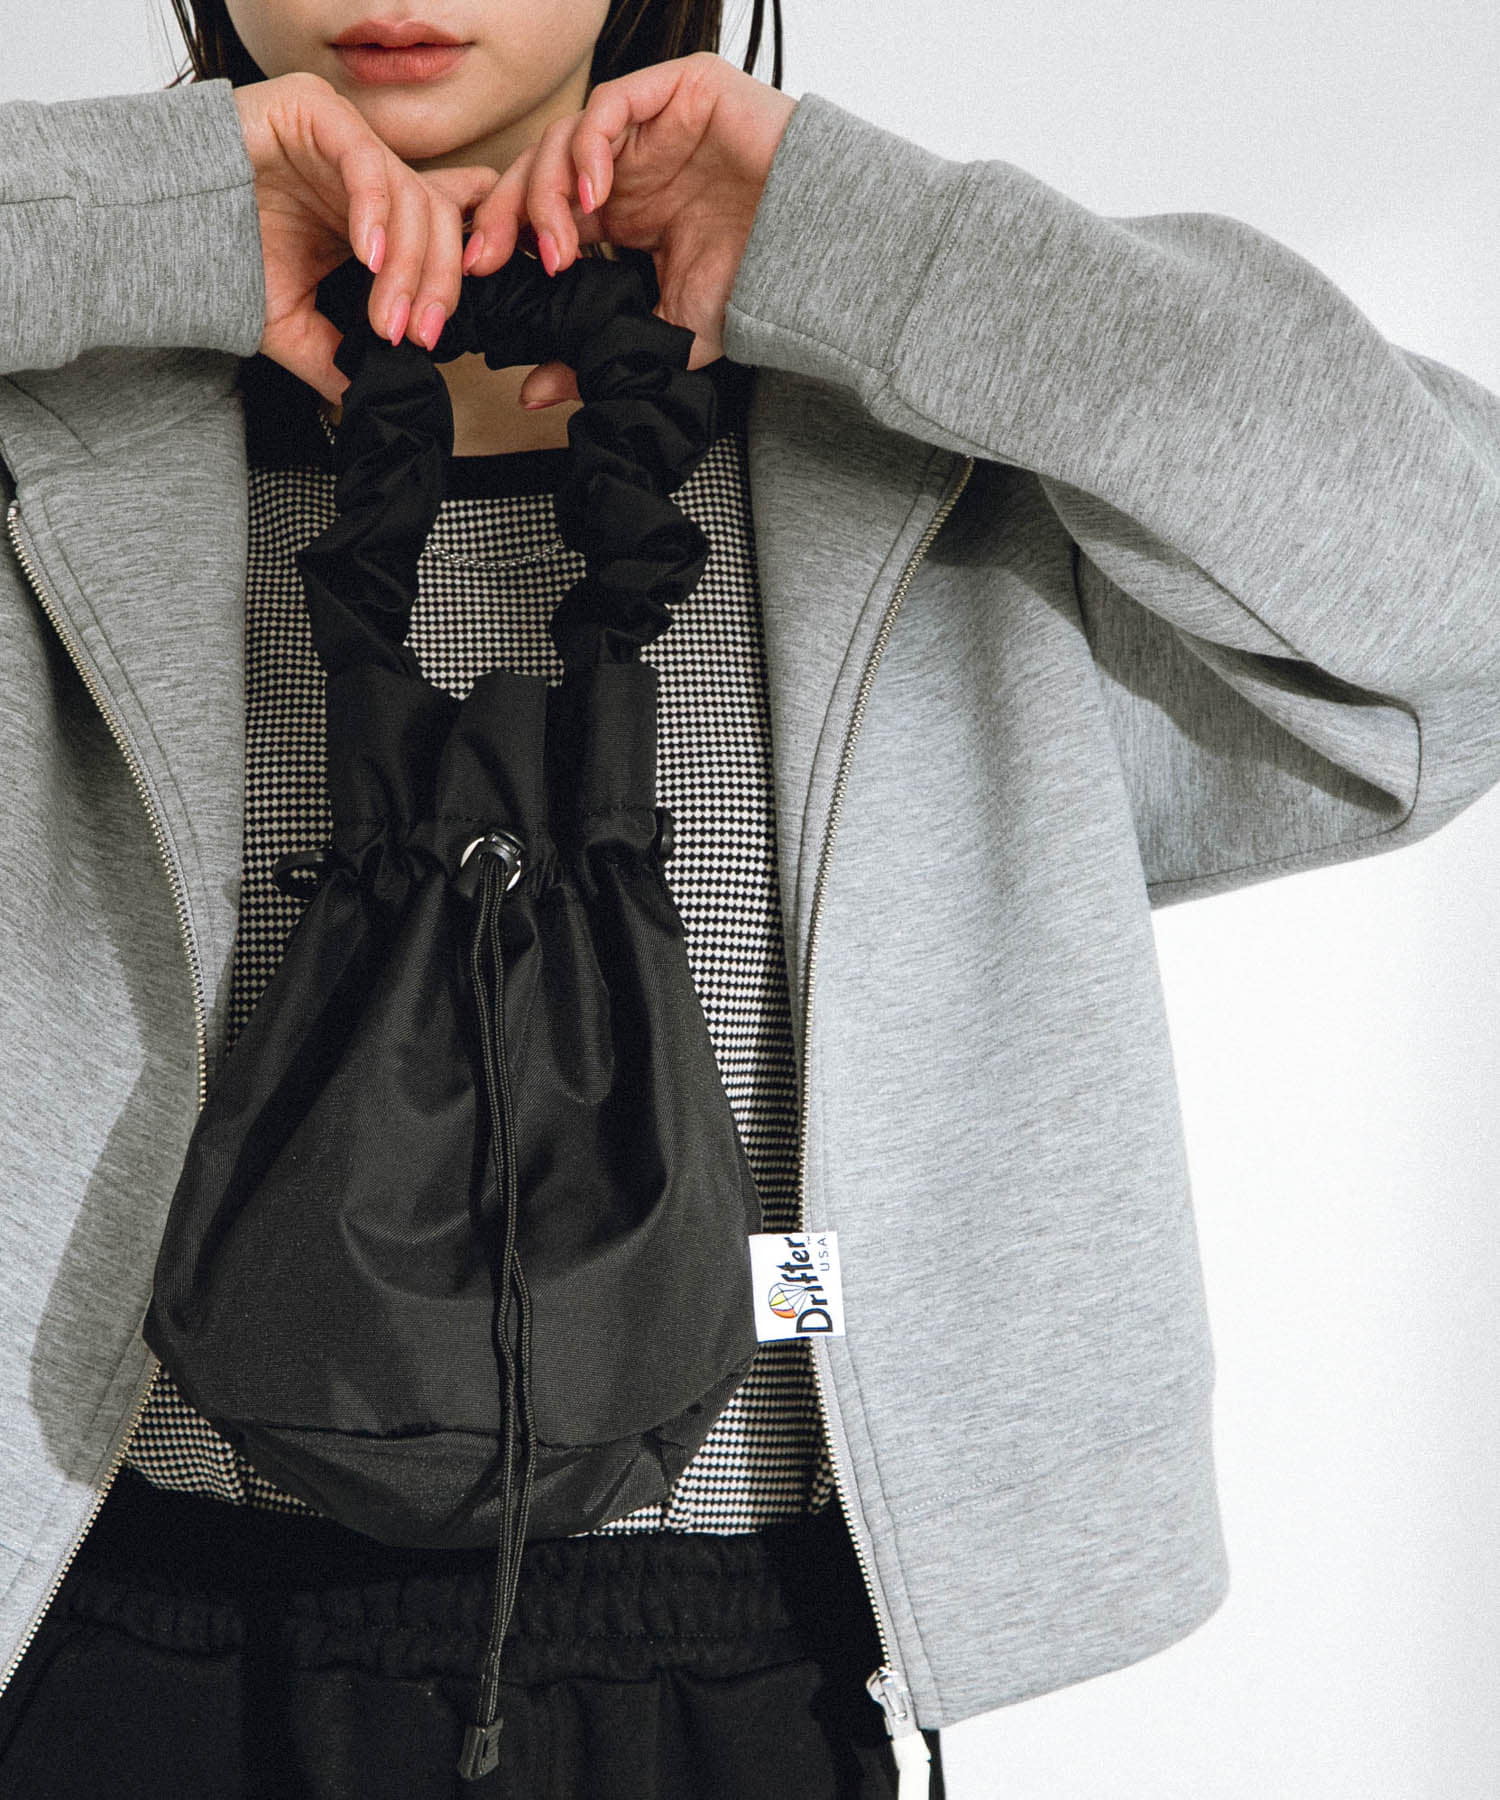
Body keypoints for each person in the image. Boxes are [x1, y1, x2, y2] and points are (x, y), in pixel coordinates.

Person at [0, 1, 1496, 1795]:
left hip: (747, 1661)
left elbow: (1465, 604)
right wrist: (126, 223)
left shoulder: (938, 431)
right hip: (116, 1623)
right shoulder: (62, 404)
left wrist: (874, 249)